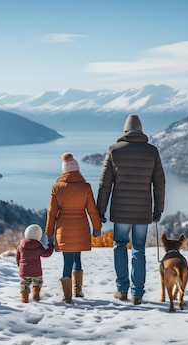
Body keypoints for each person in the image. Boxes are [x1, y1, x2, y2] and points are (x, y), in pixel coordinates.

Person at [97, 114, 166, 305]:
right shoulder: (152, 152)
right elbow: (159, 183)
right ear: (141, 131)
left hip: (120, 211)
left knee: (120, 245)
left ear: (125, 131)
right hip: (143, 212)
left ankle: (121, 290)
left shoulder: (114, 150)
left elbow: (105, 184)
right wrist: (158, 209)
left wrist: (100, 210)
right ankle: (138, 293)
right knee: (139, 249)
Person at [45, 152, 102, 303]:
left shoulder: (57, 187)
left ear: (64, 171)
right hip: (81, 230)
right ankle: (78, 291)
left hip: (63, 231)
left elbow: (51, 213)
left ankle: (67, 295)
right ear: (77, 170)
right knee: (78, 258)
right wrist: (97, 228)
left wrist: (49, 233)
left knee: (67, 261)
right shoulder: (86, 187)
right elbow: (92, 210)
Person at [16, 224, 55, 303]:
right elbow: (47, 254)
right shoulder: (38, 247)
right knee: (38, 282)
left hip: (24, 271)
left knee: (24, 284)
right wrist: (51, 245)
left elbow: (18, 257)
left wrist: (19, 266)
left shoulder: (21, 246)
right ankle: (36, 295)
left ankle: (24, 298)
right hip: (36, 271)